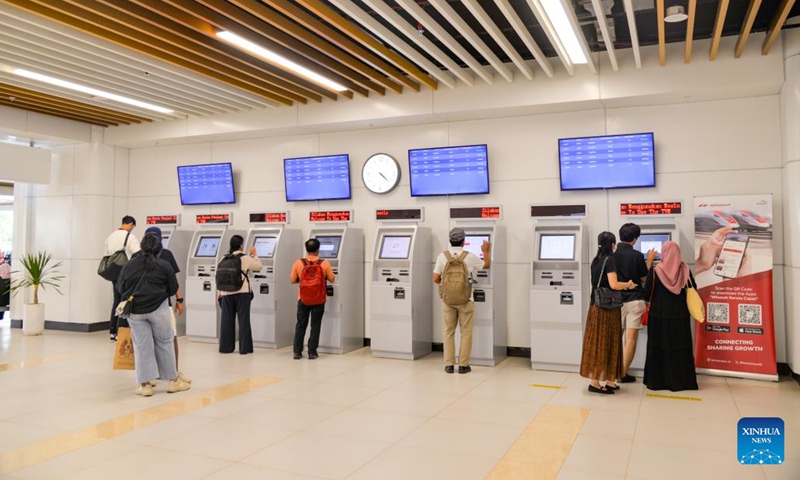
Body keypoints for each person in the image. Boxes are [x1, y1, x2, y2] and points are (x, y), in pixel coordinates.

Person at [116, 233, 190, 397]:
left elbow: (120, 287)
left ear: (141, 247)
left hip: (135, 311)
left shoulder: (129, 265)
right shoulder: (164, 265)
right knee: (165, 343)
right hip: (159, 309)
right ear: (159, 249)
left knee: (142, 347)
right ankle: (173, 382)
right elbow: (172, 289)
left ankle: (145, 385)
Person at [580, 231, 635, 394]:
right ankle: (595, 383)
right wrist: (628, 284)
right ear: (612, 245)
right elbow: (614, 284)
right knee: (607, 343)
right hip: (607, 309)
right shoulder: (609, 260)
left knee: (599, 343)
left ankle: (610, 380)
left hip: (595, 307)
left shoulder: (595, 260)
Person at [433, 227, 491, 374]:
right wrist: (486, 251)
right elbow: (486, 265)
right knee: (466, 332)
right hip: (466, 299)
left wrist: (446, 284)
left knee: (448, 332)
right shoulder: (469, 256)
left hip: (448, 300)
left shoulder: (442, 256)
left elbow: (435, 278)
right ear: (464, 241)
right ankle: (464, 365)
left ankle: (449, 365)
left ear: (450, 240)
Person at [643, 241, 699, 392]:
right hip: (680, 315)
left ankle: (657, 382)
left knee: (658, 347)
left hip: (658, 315)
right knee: (679, 347)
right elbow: (693, 288)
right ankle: (682, 381)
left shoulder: (656, 270)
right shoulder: (685, 269)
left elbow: (647, 292)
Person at [142, 227, 190, 384]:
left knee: (147, 342)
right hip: (164, 305)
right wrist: (180, 300)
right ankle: (173, 375)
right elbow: (173, 281)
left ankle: (150, 377)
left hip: (142, 306)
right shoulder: (166, 254)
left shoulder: (137, 255)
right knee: (171, 339)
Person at [613, 223, 657, 383]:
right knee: (630, 339)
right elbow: (644, 278)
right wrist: (650, 260)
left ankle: (613, 372)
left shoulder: (612, 255)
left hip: (616, 301)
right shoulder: (637, 256)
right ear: (635, 238)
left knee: (617, 338)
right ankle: (622, 374)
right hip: (635, 300)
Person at [290, 238, 335, 360]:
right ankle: (312, 352)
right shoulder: (324, 263)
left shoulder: (299, 263)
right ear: (318, 250)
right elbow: (332, 279)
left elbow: (293, 280)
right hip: (318, 299)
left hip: (303, 298)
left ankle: (297, 352)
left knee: (300, 325)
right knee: (315, 325)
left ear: (306, 249)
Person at [218, 235, 262, 355]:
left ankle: (226, 348)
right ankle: (245, 348)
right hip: (242, 293)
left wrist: (220, 293)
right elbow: (259, 267)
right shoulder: (245, 258)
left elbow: (220, 275)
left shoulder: (224, 258)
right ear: (241, 245)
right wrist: (255, 254)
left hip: (226, 292)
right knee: (243, 320)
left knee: (226, 320)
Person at [104, 216, 140, 342]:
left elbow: (107, 254)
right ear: (130, 224)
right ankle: (121, 330)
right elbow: (137, 253)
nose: (132, 229)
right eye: (133, 227)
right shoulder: (129, 237)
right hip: (126, 272)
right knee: (125, 300)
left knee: (116, 300)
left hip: (114, 272)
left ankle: (112, 331)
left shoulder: (111, 236)